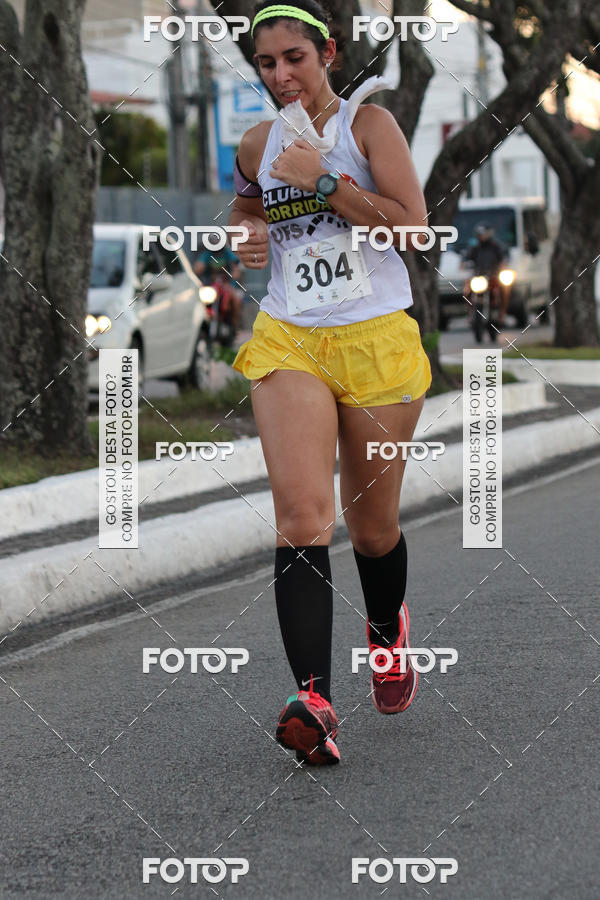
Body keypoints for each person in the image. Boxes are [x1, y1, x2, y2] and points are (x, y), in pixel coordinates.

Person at [228, 0, 432, 766]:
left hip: (375, 338)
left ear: (328, 55)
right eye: (267, 63)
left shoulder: (367, 127)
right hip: (291, 337)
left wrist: (323, 182)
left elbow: (412, 227)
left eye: (295, 59)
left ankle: (386, 634)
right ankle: (312, 703)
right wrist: (247, 234)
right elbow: (245, 206)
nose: (281, 75)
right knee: (302, 516)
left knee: (371, 529)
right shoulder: (257, 144)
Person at [462, 222, 510, 326]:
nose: (481, 236)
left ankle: (502, 313)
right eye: (479, 234)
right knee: (467, 290)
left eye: (482, 234)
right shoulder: (475, 248)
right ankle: (470, 314)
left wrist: (502, 265)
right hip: (479, 277)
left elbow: (504, 258)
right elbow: (466, 259)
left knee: (504, 289)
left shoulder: (496, 246)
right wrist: (464, 264)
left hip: (493, 277)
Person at [193, 243, 244, 330]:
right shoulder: (207, 254)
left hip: (227, 285)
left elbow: (236, 269)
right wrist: (199, 267)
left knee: (235, 300)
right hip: (211, 286)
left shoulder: (227, 253)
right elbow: (197, 268)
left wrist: (233, 275)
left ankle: (234, 326)